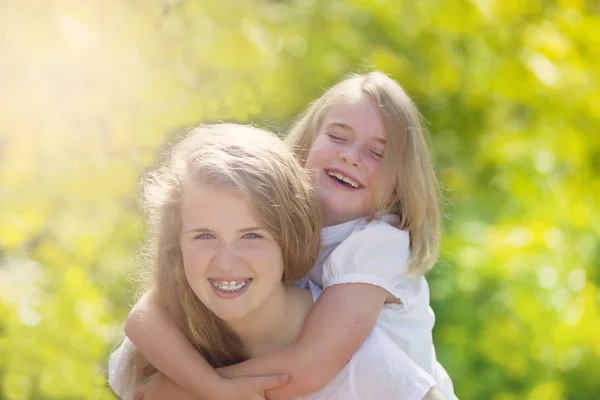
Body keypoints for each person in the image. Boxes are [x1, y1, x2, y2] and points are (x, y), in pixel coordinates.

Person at [115, 71, 458, 399]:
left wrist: (191, 390)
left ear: (400, 181)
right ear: (307, 142)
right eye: (338, 136)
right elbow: (147, 315)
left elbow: (311, 366)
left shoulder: (377, 242)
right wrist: (208, 386)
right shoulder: (272, 214)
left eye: (376, 153)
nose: (349, 156)